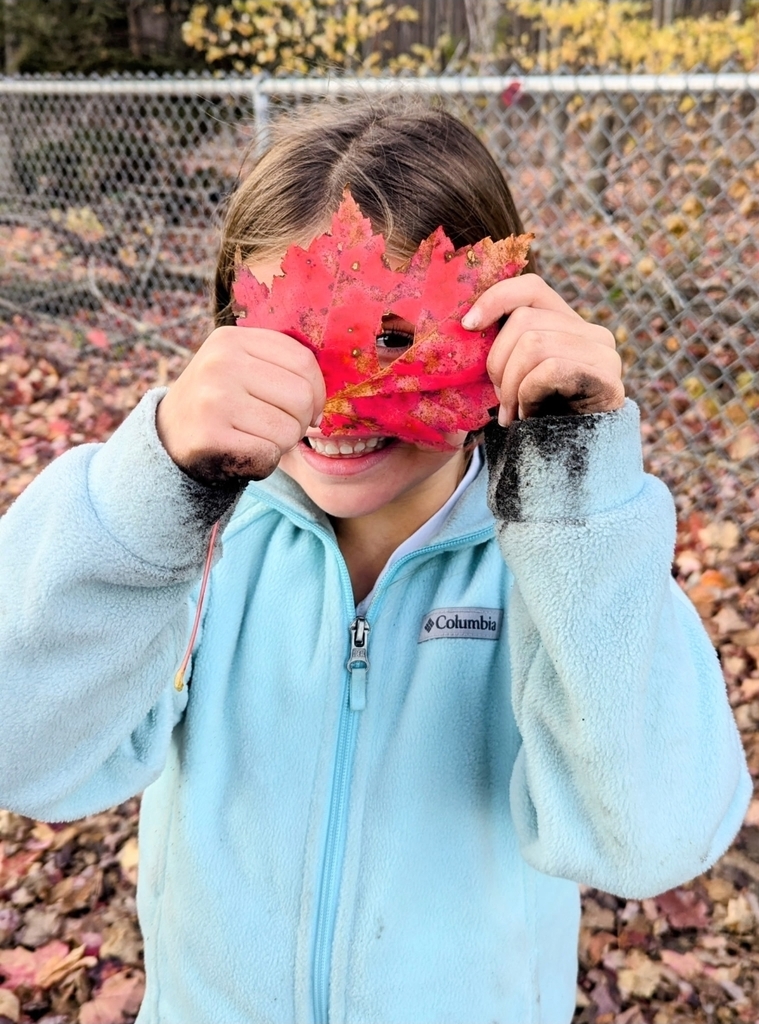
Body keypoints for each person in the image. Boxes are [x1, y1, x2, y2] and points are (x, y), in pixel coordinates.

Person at [0, 96, 750, 1024]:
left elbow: (650, 841)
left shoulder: (567, 568)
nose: (338, 403)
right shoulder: (191, 552)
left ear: (506, 335)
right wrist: (150, 489)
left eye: (394, 340)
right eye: (288, 343)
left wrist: (575, 489)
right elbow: (23, 750)